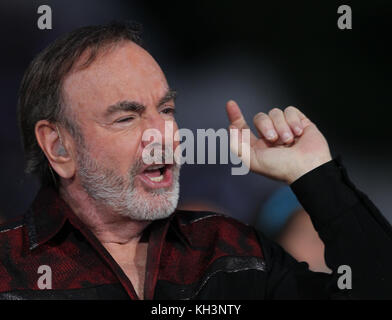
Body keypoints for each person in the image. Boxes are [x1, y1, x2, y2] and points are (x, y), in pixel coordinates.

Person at [0, 21, 391, 300]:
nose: (164, 134)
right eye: (127, 117)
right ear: (58, 147)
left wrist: (317, 177)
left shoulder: (231, 252)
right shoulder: (9, 269)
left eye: (166, 110)